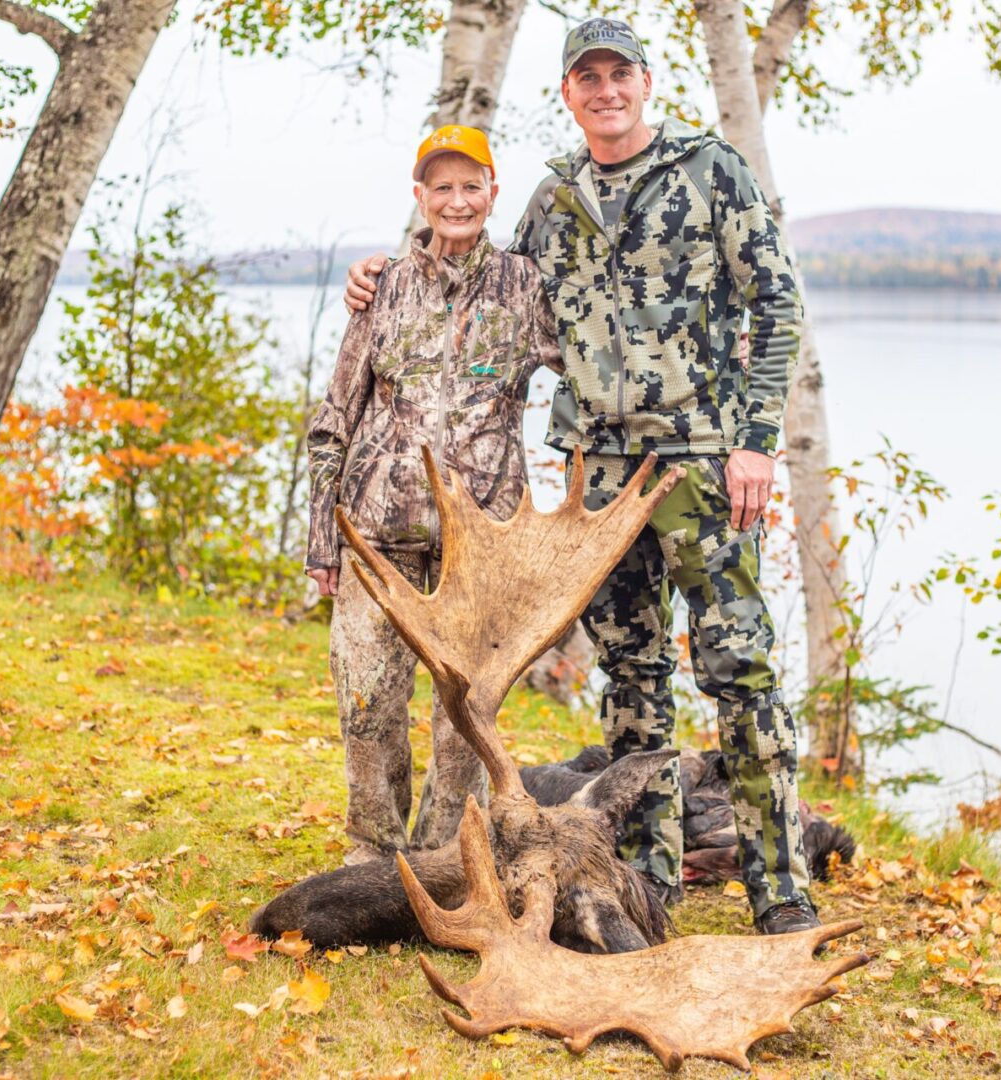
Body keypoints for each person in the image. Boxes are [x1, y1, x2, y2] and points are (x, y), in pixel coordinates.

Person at [345, 18, 821, 934]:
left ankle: (781, 892)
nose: (604, 90)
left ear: (644, 83)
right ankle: (654, 882)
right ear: (569, 94)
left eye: (619, 74)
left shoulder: (710, 169)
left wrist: (757, 441)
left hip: (702, 463)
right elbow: (490, 285)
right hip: (599, 475)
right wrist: (384, 271)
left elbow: (778, 301)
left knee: (739, 673)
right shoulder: (556, 195)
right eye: (586, 77)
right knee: (632, 680)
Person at [307, 125, 562, 866]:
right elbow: (332, 422)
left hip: (477, 548)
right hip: (376, 540)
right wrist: (325, 542)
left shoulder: (525, 285)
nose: (457, 200)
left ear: (493, 193)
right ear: (419, 196)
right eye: (441, 186)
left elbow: (590, 371)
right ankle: (372, 853)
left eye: (471, 185)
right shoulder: (381, 286)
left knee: (464, 716)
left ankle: (443, 853)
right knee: (367, 705)